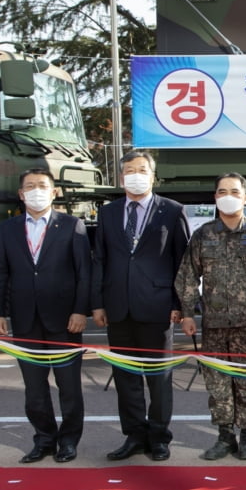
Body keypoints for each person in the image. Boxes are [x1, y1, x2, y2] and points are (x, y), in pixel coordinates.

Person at [0, 169, 91, 464]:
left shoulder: (72, 225)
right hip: (25, 320)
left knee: (69, 387)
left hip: (65, 320)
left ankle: (68, 441)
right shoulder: (8, 229)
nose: (36, 191)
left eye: (42, 186)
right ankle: (44, 439)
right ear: (21, 194)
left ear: (54, 191)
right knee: (34, 389)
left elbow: (85, 273)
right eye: (30, 187)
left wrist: (79, 310)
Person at [92, 150, 190, 462]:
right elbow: (100, 260)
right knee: (126, 377)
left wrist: (179, 304)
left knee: (158, 378)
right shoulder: (108, 213)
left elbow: (182, 262)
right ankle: (134, 435)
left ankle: (159, 437)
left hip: (158, 306)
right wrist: (97, 303)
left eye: (142, 169)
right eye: (130, 170)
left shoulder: (172, 211)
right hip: (118, 307)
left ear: (152, 175)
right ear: (121, 178)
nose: (136, 174)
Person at [176, 173, 246, 461]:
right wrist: (187, 313)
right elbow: (188, 276)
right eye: (222, 191)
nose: (227, 195)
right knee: (217, 384)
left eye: (234, 190)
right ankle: (224, 437)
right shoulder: (203, 234)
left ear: (245, 197)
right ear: (215, 197)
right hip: (215, 326)